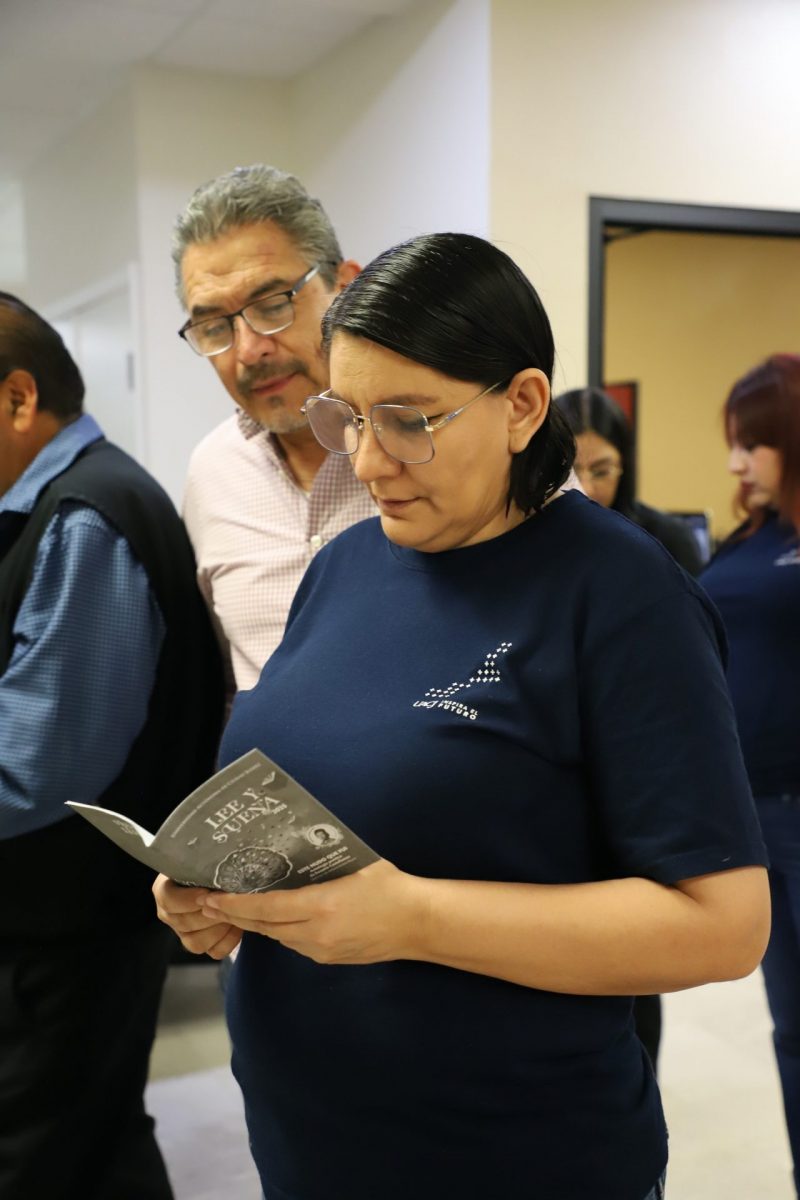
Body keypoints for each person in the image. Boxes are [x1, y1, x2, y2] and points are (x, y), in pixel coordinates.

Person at [154, 234, 770, 1200]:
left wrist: (412, 917)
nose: (368, 460)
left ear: (522, 404)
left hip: (511, 1153)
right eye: (348, 416)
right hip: (310, 1144)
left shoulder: (616, 591)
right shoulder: (345, 567)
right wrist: (224, 890)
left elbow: (723, 927)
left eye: (409, 421)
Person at [0, 293, 224, 1199]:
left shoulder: (86, 517)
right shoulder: (41, 510)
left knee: (52, 1159)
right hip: (50, 931)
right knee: (87, 1148)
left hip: (68, 936)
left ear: (19, 399)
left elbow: (32, 767)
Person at [173, 164, 375, 693]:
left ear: (346, 287)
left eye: (271, 305)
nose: (248, 350)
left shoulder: (433, 440)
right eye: (214, 326)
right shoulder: (212, 473)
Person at [553, 385, 703, 1071]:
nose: (586, 488)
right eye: (571, 468)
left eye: (603, 469)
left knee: (636, 965)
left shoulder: (661, 545)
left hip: (640, 780)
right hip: (554, 780)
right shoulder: (521, 546)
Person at [700, 353, 800, 1197]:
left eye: (751, 444)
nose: (736, 463)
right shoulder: (748, 540)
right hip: (754, 813)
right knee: (792, 1029)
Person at [554, 386, 704, 576]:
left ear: (624, 466)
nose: (585, 489)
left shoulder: (668, 541)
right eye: (570, 473)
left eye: (601, 472)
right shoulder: (532, 540)